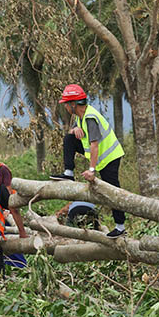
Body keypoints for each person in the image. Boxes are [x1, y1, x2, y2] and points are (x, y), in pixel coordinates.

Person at [50, 84, 126, 238]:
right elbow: (77, 131)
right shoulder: (81, 115)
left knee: (112, 192)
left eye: (66, 103)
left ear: (73, 104)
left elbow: (94, 145)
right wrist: (74, 129)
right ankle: (68, 172)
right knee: (69, 138)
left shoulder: (90, 118)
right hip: (101, 157)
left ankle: (120, 226)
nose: (64, 106)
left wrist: (92, 170)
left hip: (109, 158)